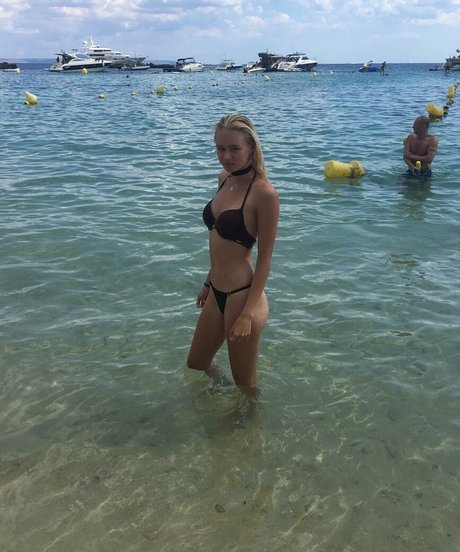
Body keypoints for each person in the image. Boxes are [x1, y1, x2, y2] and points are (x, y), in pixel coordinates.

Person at [187, 114, 279, 395]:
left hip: (243, 296)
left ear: (251, 148)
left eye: (234, 149)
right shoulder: (223, 180)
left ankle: (248, 419)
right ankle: (221, 389)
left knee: (246, 384)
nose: (226, 157)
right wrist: (207, 281)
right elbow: (218, 241)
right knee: (197, 362)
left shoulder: (264, 194)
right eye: (220, 149)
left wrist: (247, 315)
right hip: (216, 290)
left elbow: (264, 261)